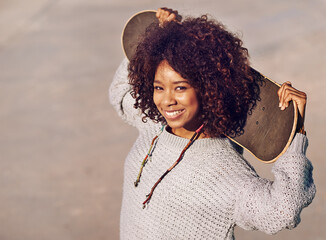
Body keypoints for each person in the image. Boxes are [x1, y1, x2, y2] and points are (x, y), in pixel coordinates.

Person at [109, 8, 315, 240]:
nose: (167, 100)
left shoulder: (224, 171)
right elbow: (120, 94)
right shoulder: (154, 127)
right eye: (159, 87)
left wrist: (294, 133)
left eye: (180, 87)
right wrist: (154, 39)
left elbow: (282, 210)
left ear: (208, 89)